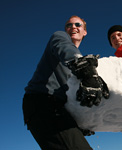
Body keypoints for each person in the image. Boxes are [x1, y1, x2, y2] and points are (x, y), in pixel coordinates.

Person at [22, 15, 109, 150]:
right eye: (69, 25)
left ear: (84, 31)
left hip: (58, 109)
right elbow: (64, 47)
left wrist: (83, 120)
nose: (73, 27)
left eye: (77, 25)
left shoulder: (74, 62)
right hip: (42, 102)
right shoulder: (60, 38)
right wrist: (85, 69)